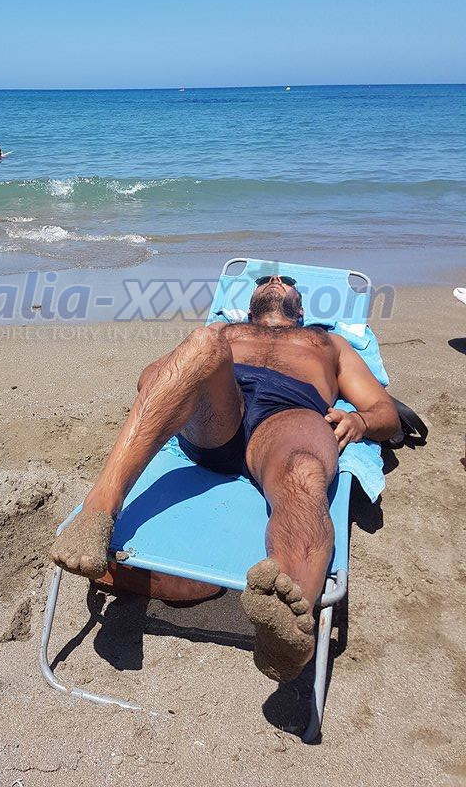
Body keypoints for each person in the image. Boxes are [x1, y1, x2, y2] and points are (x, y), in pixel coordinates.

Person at [50, 275, 399, 682]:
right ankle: (97, 512)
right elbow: (150, 380)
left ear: (302, 308)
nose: (274, 279)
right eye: (264, 279)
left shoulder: (329, 343)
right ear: (250, 305)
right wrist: (186, 372)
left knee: (304, 472)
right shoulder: (225, 331)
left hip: (289, 417)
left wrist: (361, 421)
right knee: (203, 343)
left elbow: (385, 412)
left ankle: (289, 624)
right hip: (219, 411)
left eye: (285, 280)